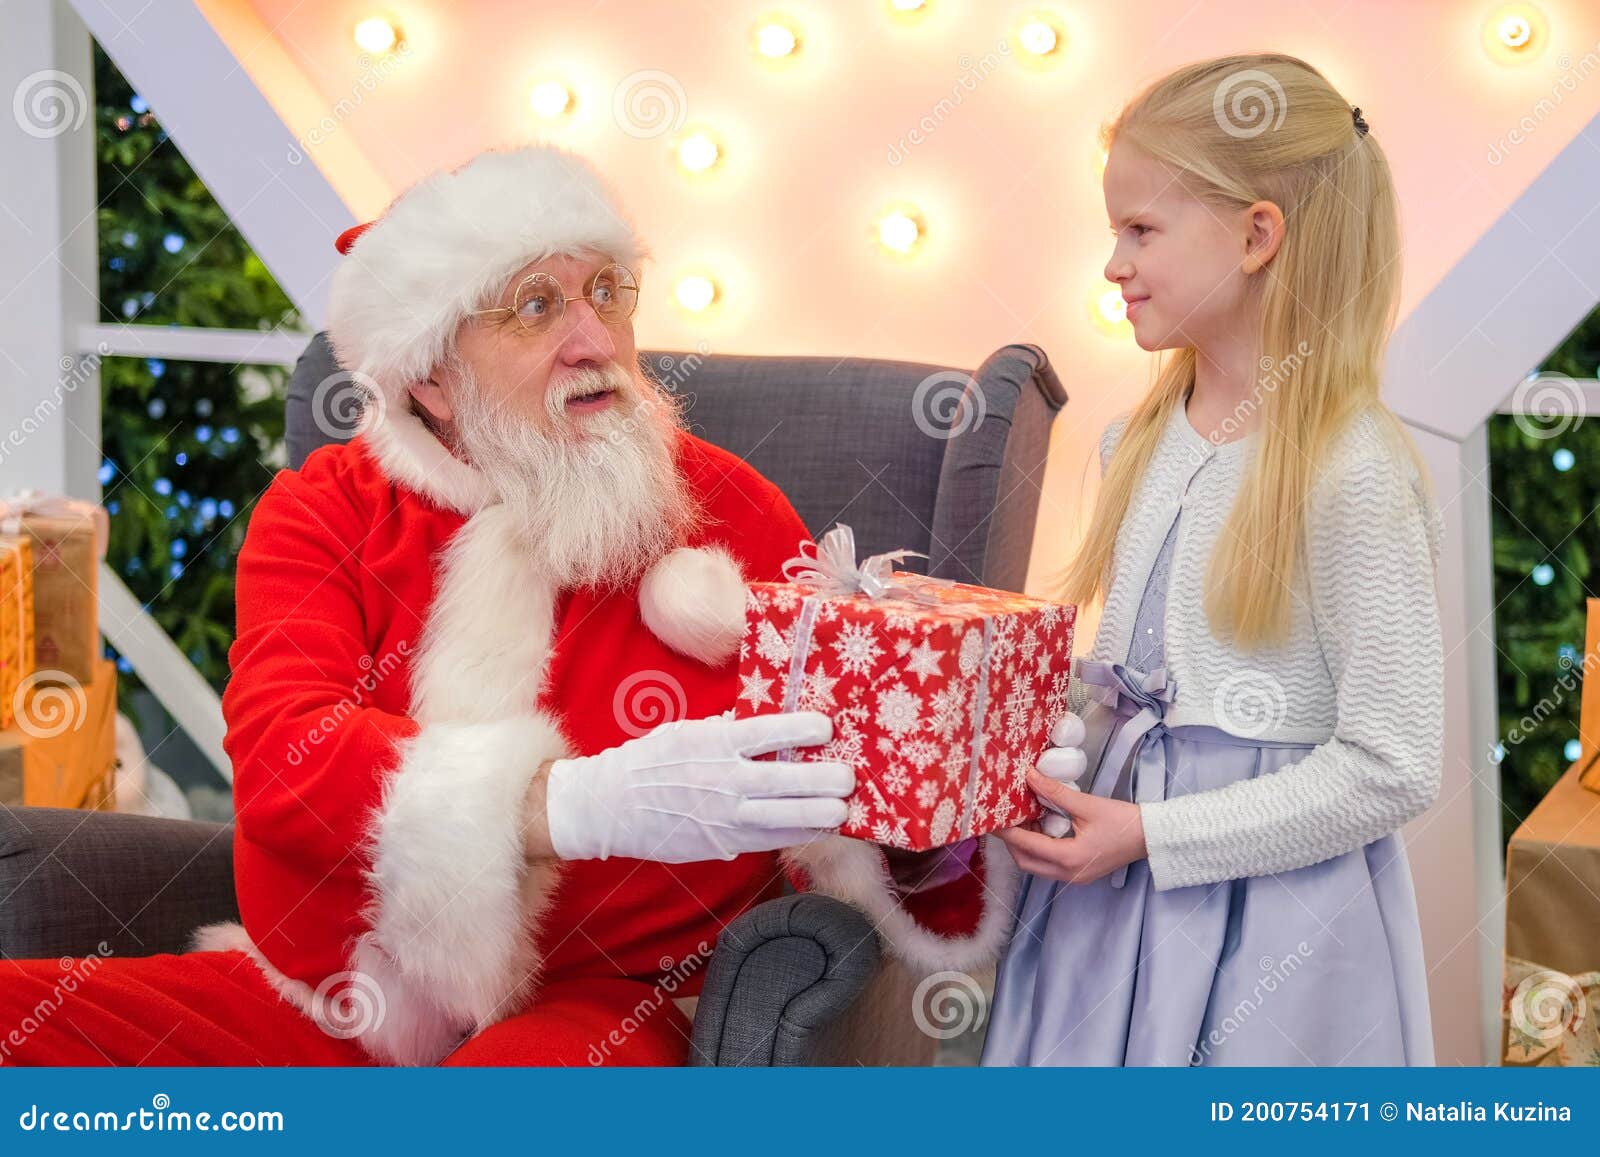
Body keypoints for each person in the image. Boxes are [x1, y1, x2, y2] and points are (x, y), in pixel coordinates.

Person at [0, 144, 1015, 1067]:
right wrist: (564, 806)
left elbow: (846, 802)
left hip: (608, 1006)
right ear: (431, 375)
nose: (594, 341)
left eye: (607, 291)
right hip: (329, 999)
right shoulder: (325, 510)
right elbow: (283, 758)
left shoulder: (729, 511)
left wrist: (960, 787)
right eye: (535, 305)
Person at [983, 54, 1444, 1066]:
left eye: (1139, 229)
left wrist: (1154, 835)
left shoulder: (1349, 471)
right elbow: (1126, 681)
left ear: (1255, 234)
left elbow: (1393, 764)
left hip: (1272, 932)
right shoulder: (1136, 442)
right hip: (1107, 912)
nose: (1113, 263)